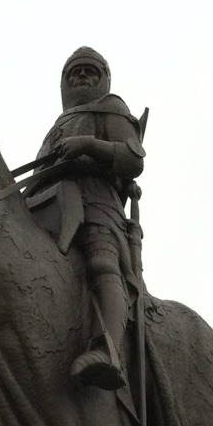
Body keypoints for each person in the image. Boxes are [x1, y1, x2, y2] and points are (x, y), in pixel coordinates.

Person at [27, 47, 146, 390]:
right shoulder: (55, 128)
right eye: (74, 73)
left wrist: (88, 145)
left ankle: (107, 349)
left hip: (96, 203)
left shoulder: (110, 109)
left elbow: (132, 159)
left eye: (89, 72)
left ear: (104, 80)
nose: (81, 77)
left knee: (101, 260)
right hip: (45, 208)